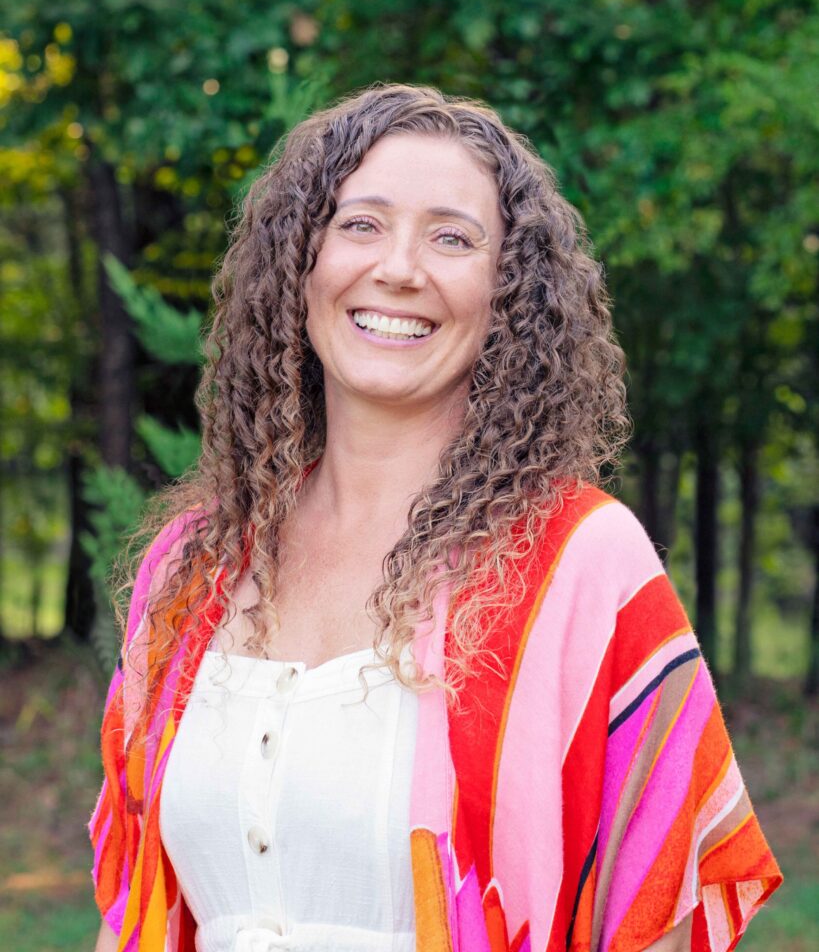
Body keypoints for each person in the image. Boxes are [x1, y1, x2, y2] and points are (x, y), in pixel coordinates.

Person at [90, 83, 781, 952]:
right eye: (360, 223)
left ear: (509, 293)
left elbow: (659, 923)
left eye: (451, 238)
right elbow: (136, 916)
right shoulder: (193, 566)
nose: (399, 268)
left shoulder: (579, 562)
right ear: (300, 261)